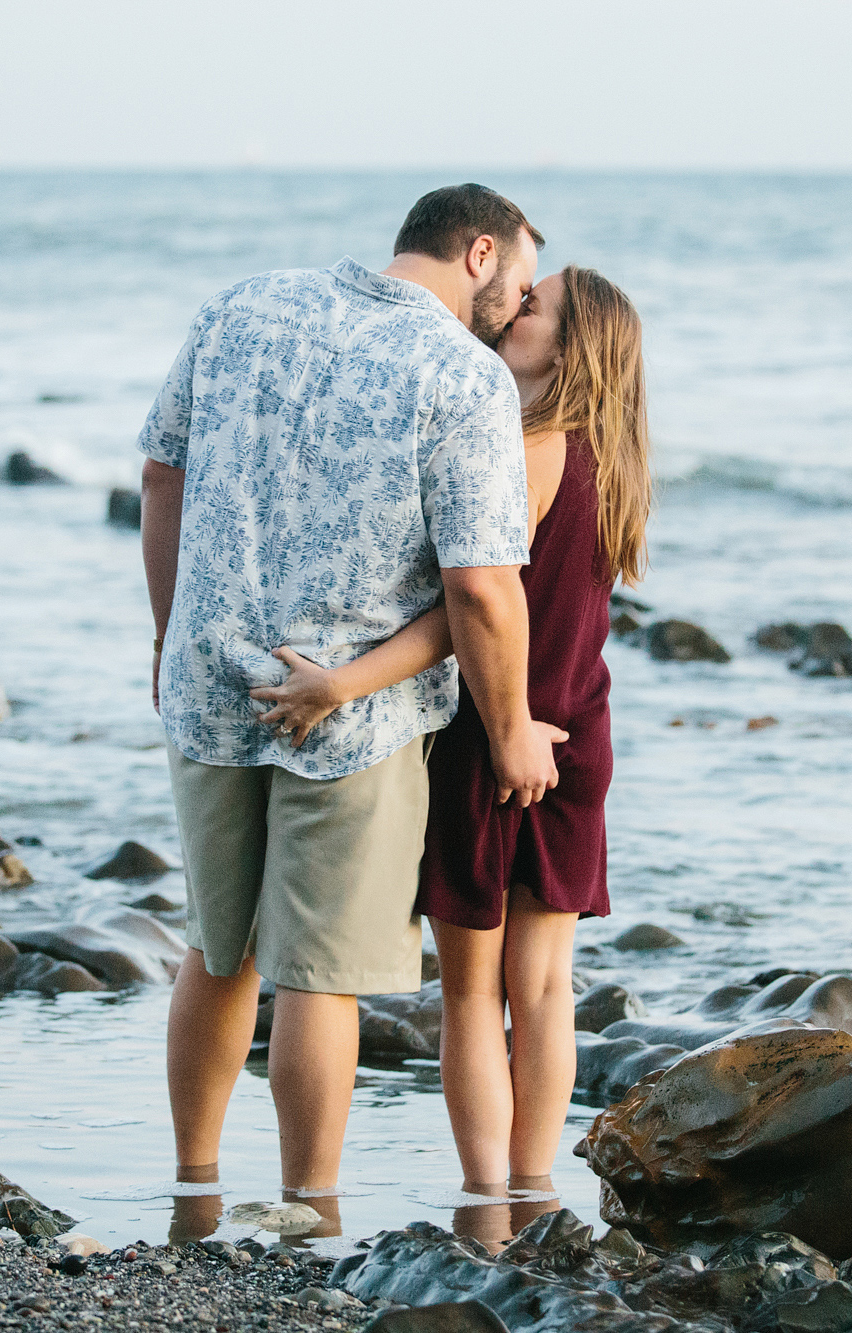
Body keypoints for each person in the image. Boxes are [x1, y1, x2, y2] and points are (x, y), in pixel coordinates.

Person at [137, 184, 565, 1234]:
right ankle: (307, 1206)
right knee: (318, 975)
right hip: (352, 715)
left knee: (216, 946)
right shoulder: (463, 376)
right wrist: (509, 727)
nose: (514, 306)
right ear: (478, 252)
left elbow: (161, 477)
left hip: (212, 679)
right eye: (514, 279)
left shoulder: (243, 306)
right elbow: (479, 585)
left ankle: (195, 1182)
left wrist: (167, 636)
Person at [250, 265, 651, 1241]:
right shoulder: (611, 461)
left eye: (535, 306)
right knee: (548, 984)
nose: (514, 308)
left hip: (492, 734)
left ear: (568, 348)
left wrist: (345, 679)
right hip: (579, 734)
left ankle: (485, 1197)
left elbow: (465, 606)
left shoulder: (522, 448)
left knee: (473, 990)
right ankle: (532, 1184)